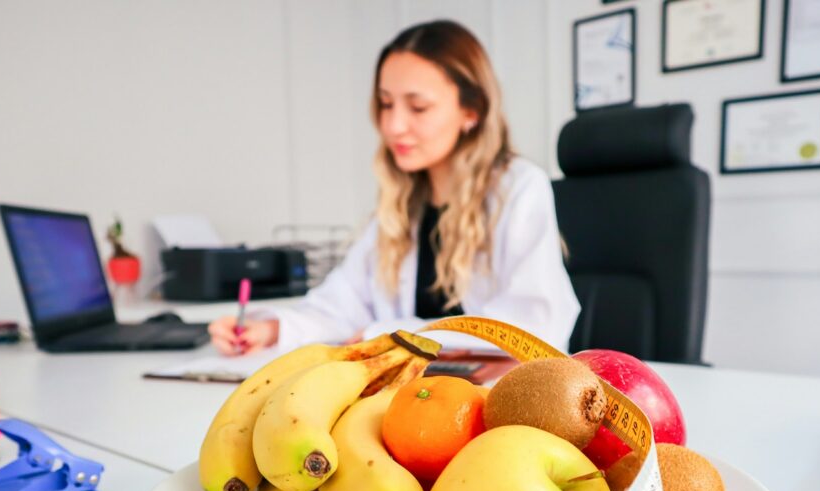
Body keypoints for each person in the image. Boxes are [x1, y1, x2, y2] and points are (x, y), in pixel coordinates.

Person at [209, 20, 579, 355]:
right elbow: (342, 304)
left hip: (494, 405)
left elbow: (533, 326)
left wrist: (386, 332)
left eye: (417, 108)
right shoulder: (402, 203)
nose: (393, 126)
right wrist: (271, 329)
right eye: (386, 104)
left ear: (472, 111)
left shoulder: (518, 189)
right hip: (409, 397)